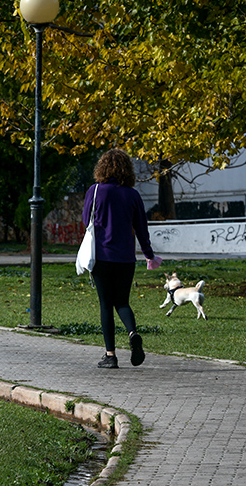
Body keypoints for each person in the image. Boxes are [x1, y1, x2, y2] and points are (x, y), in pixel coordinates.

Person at [82, 148, 162, 369]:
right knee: (123, 302)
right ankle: (133, 332)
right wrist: (149, 255)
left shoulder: (96, 190)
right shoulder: (133, 195)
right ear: (127, 170)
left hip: (102, 257)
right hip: (126, 258)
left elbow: (85, 220)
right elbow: (141, 228)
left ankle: (110, 355)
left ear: (102, 167)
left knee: (106, 305)